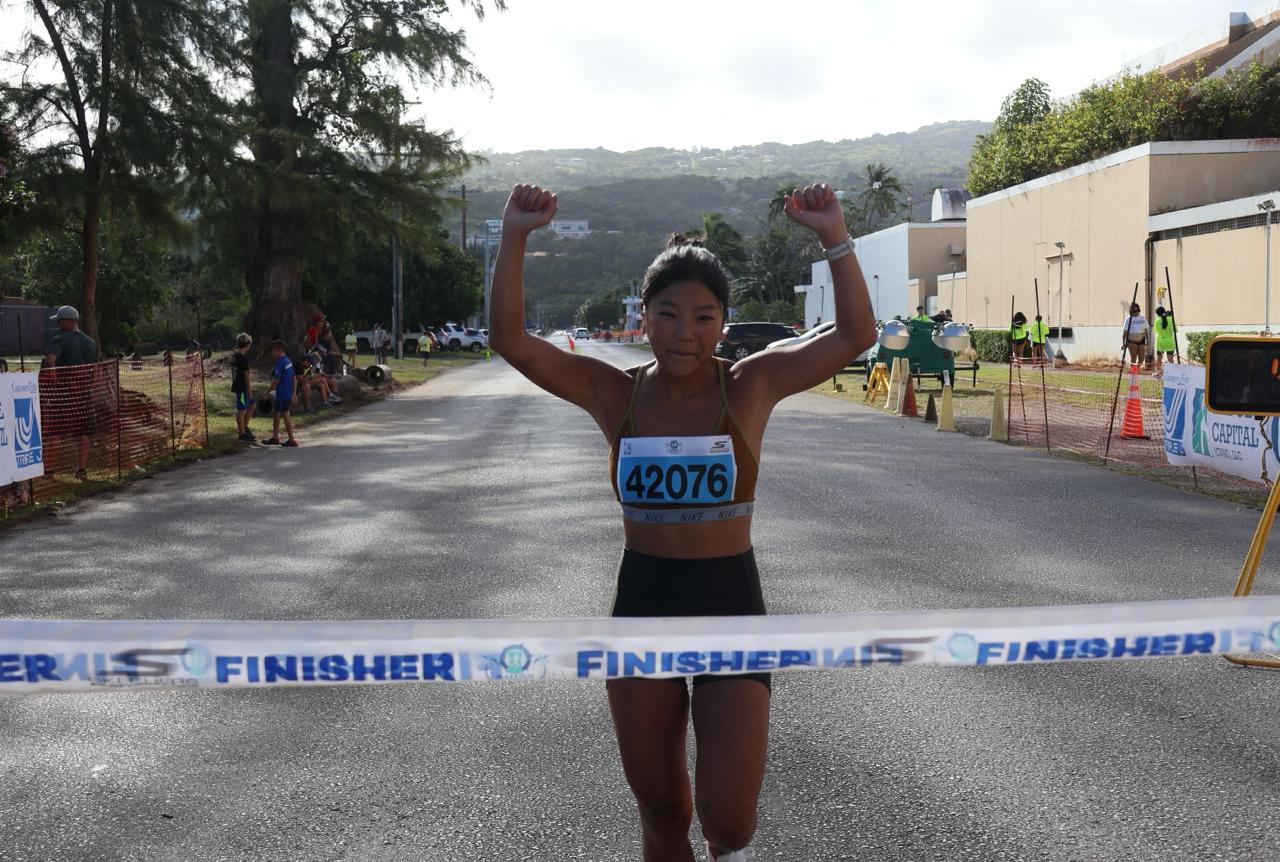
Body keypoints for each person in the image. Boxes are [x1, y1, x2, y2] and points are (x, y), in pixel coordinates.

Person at [489, 182, 876, 862]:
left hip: (729, 604)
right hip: (643, 606)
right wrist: (515, 235)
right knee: (664, 811)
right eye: (668, 315)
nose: (684, 334)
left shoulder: (749, 386)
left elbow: (855, 335)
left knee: (729, 821)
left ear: (723, 322)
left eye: (702, 318)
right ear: (643, 318)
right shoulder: (616, 393)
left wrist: (835, 237)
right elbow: (511, 340)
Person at [42, 305, 99, 480]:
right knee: (82, 432)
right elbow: (95, 371)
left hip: (63, 394)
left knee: (55, 432)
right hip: (84, 393)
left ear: (67, 321)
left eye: (59, 321)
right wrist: (88, 386)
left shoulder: (58, 339)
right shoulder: (91, 342)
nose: (58, 324)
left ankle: (49, 472)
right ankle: (81, 470)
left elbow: (50, 360)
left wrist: (52, 383)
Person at [264, 339, 298, 447]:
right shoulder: (288, 361)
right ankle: (275, 437)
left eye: (272, 351)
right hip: (287, 393)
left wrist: (267, 392)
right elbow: (294, 378)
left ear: (279, 350)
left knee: (284, 414)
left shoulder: (280, 363)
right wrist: (294, 393)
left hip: (282, 394)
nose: (271, 354)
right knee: (277, 413)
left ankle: (290, 439)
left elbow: (276, 380)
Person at [231, 333, 255, 443]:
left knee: (252, 404)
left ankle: (244, 427)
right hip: (241, 388)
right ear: (248, 344)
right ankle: (242, 434)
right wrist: (249, 390)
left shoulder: (235, 356)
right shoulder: (242, 358)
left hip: (239, 386)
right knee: (241, 410)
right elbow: (246, 375)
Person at [1123, 302, 1148, 368]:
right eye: (1134, 311)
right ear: (1131, 311)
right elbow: (1125, 333)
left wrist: (1148, 341)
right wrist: (1124, 343)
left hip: (1141, 339)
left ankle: (1135, 370)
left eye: (1138, 310)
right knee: (1133, 358)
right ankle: (1134, 374)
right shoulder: (1128, 319)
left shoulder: (1143, 318)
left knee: (1141, 359)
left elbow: (1146, 330)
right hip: (1131, 340)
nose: (1136, 312)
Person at [1154, 306, 1177, 375]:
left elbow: (1157, 331)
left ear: (1157, 314)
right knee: (1170, 359)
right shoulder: (1171, 319)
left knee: (1159, 359)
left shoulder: (1157, 321)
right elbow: (1175, 330)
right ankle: (1173, 374)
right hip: (1170, 342)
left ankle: (1158, 373)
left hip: (1161, 343)